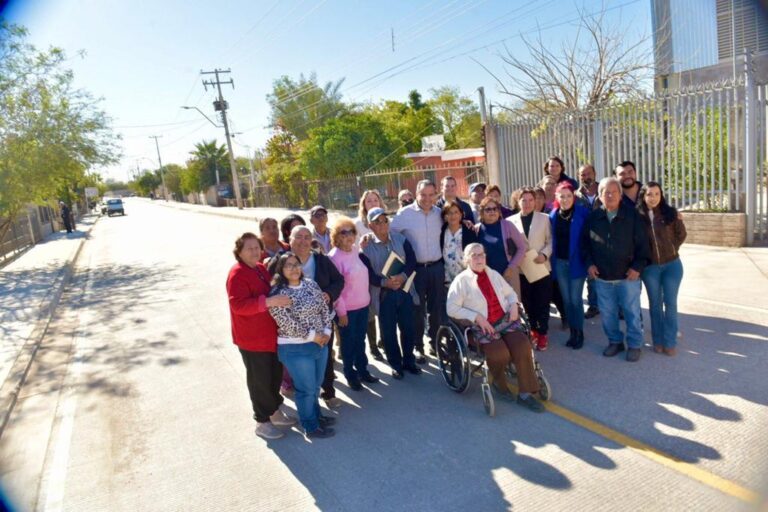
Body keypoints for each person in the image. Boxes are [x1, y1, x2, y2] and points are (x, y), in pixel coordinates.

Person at [447, 243, 544, 413]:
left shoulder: (493, 274)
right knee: (499, 353)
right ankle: (499, 384)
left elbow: (510, 293)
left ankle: (525, 394)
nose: (479, 258)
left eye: (481, 255)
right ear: (467, 259)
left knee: (522, 345)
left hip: (504, 321)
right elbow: (451, 308)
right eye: (474, 255)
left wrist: (514, 304)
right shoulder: (461, 281)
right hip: (482, 327)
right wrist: (476, 317)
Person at [226, 233, 296, 440]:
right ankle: (262, 421)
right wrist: (268, 302)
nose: (255, 252)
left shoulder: (259, 269)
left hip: (269, 336)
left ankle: (274, 412)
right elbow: (238, 305)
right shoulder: (237, 274)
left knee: (273, 375)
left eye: (257, 247)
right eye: (249, 248)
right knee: (259, 381)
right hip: (252, 339)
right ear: (239, 251)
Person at [268, 226, 345, 409]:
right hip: (294, 331)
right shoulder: (280, 260)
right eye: (299, 237)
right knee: (303, 374)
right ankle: (308, 410)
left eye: (307, 237)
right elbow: (270, 287)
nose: (303, 241)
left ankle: (328, 393)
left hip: (322, 320)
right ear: (290, 239)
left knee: (323, 362)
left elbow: (339, 281)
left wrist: (329, 293)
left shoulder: (321, 260)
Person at [581, 177, 650, 362]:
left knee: (632, 313)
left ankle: (635, 344)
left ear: (620, 195)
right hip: (603, 278)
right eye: (605, 192)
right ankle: (615, 342)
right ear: (600, 196)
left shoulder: (633, 216)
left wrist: (637, 267)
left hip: (628, 277)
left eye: (614, 191)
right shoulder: (593, 217)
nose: (610, 195)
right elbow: (584, 245)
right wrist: (589, 264)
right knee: (608, 315)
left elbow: (644, 245)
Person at [268, 252, 336, 439]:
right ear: (281, 270)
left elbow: (324, 309)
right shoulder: (278, 293)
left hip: (319, 345)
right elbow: (286, 322)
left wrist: (327, 332)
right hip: (295, 348)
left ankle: (317, 416)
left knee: (314, 386)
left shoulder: (310, 284)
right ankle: (310, 426)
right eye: (288, 265)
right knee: (305, 389)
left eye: (296, 264)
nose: (293, 268)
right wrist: (314, 336)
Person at [361, 207, 422, 379]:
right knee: (388, 331)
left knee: (408, 328)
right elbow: (367, 273)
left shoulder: (401, 239)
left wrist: (402, 276)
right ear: (370, 225)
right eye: (377, 222)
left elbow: (411, 260)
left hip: (404, 290)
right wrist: (384, 282)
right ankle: (396, 365)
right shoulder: (365, 247)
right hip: (384, 294)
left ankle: (409, 361)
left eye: (384, 220)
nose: (382, 224)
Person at [390, 179, 445, 362]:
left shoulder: (440, 213)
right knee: (416, 309)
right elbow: (388, 234)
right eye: (423, 194)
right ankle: (418, 347)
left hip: (437, 267)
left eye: (431, 194)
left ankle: (435, 343)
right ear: (416, 194)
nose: (427, 199)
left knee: (436, 309)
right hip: (415, 270)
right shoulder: (405, 214)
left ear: (436, 194)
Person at [328, 216, 379, 391]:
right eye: (344, 232)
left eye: (351, 232)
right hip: (346, 310)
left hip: (363, 306)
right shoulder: (334, 258)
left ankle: (363, 370)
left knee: (360, 341)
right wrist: (341, 312)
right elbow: (334, 289)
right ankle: (351, 375)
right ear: (336, 236)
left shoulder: (355, 251)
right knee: (348, 344)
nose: (348, 236)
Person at [637, 182, 687, 356]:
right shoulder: (637, 217)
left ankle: (670, 341)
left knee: (670, 304)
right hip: (650, 268)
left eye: (657, 194)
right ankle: (657, 340)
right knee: (655, 305)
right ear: (643, 196)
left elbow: (682, 234)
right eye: (649, 194)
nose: (653, 198)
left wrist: (671, 249)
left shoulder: (670, 213)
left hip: (672, 265)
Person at [510, 188, 553, 351]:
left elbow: (551, 241)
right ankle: (533, 330)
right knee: (527, 303)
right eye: (523, 200)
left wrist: (544, 254)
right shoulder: (510, 220)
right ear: (518, 201)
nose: (527, 203)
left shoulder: (544, 219)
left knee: (542, 302)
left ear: (535, 202)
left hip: (541, 266)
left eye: (530, 200)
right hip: (522, 269)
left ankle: (543, 334)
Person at [549, 183, 589, 350]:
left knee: (575, 300)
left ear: (574, 197)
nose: (565, 200)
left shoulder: (583, 213)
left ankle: (579, 332)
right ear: (557, 198)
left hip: (577, 262)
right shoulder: (553, 216)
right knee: (566, 300)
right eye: (562, 196)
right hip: (560, 262)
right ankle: (572, 332)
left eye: (568, 196)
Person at [354, 189, 386, 361]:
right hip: (365, 274)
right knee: (370, 311)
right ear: (363, 205)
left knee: (384, 307)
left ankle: (383, 340)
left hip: (383, 271)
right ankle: (373, 346)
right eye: (369, 201)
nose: (372, 203)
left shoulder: (387, 221)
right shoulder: (358, 224)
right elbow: (352, 249)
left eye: (375, 200)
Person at [476, 196, 527, 298]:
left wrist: (511, 267)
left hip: (508, 274)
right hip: (487, 276)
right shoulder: (477, 229)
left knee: (512, 307)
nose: (492, 212)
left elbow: (522, 248)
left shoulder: (508, 225)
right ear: (482, 212)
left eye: (495, 208)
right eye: (488, 209)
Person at [575, 164, 601, 319]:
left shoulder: (604, 190)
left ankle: (617, 306)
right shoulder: (575, 196)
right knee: (590, 275)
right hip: (584, 239)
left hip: (603, 239)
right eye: (582, 175)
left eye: (588, 173)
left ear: (595, 173)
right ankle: (594, 305)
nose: (586, 177)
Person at [440, 201, 479, 287]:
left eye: (456, 212)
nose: (453, 216)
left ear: (461, 215)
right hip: (447, 280)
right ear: (445, 216)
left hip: (467, 279)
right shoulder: (442, 232)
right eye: (449, 213)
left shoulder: (469, 230)